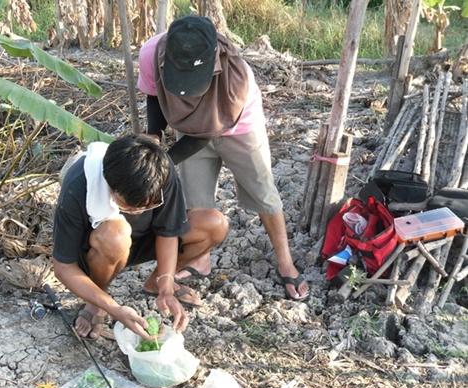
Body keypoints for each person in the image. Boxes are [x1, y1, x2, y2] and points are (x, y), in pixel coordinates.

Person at [137, 14, 310, 301]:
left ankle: (285, 262)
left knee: (264, 194)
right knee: (196, 203)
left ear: (213, 60)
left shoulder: (237, 77)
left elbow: (207, 133)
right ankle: (200, 260)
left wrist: (164, 162)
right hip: (189, 127)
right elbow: (154, 95)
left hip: (239, 130)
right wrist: (153, 139)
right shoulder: (150, 54)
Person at [52, 134, 228, 340]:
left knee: (214, 224)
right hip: (99, 249)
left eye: (149, 205)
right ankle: (96, 301)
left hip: (143, 240)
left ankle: (155, 283)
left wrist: (166, 285)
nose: (139, 211)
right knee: (116, 234)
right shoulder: (79, 185)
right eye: (129, 206)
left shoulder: (159, 170)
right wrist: (113, 308)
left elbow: (168, 231)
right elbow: (63, 267)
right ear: (111, 186)